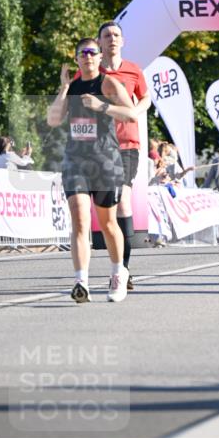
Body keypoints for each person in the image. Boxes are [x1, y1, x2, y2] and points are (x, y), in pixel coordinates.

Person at [47, 38, 137, 303]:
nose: (87, 56)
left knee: (108, 223)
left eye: (92, 52)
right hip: (76, 160)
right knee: (79, 218)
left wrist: (101, 106)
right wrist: (64, 89)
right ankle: (81, 282)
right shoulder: (73, 87)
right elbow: (53, 120)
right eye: (82, 53)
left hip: (105, 161)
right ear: (76, 59)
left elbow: (131, 114)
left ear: (99, 57)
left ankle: (118, 273)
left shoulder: (108, 83)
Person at [96, 22, 151, 291]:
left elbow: (146, 97)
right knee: (107, 207)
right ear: (99, 42)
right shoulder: (91, 72)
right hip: (99, 147)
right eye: (107, 35)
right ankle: (118, 265)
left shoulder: (133, 70)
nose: (112, 39)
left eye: (116, 35)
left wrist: (135, 111)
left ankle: (123, 270)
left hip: (128, 144)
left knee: (123, 203)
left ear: (123, 41)